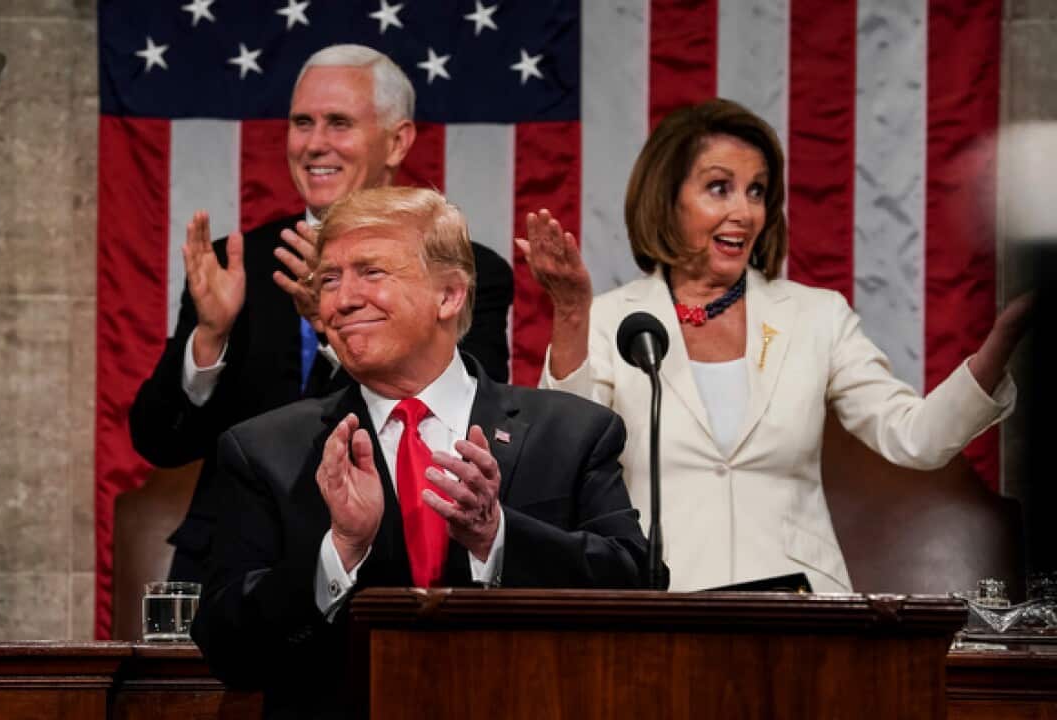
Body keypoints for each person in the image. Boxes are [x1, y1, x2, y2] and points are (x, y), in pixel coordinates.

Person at [521, 98, 1030, 594]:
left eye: (758, 191)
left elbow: (914, 438)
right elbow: (570, 455)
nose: (744, 211)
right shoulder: (612, 320)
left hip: (803, 610)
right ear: (667, 199)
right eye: (720, 188)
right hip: (668, 606)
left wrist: (1001, 340)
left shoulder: (817, 316)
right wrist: (570, 314)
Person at [195, 187, 651, 718]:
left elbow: (634, 592)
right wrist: (338, 550)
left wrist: (497, 537)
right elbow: (228, 650)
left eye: (372, 272)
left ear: (450, 295)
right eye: (329, 279)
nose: (341, 301)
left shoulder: (571, 433)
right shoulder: (267, 451)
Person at [128, 45, 514, 583]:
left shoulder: (461, 271)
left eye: (339, 123)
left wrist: (334, 326)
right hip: (237, 570)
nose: (314, 144)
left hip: (390, 567)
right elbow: (159, 442)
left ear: (398, 141)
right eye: (302, 123)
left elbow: (476, 421)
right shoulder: (233, 265)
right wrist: (210, 339)